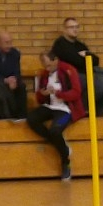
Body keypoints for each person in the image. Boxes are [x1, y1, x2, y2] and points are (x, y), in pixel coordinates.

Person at [27, 51, 85, 181]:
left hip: (65, 109)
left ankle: (65, 161)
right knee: (31, 119)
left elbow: (76, 93)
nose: (47, 69)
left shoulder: (68, 70)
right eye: (45, 66)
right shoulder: (44, 75)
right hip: (50, 106)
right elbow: (39, 98)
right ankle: (60, 144)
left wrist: (59, 94)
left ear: (55, 60)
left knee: (55, 130)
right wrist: (43, 93)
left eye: (49, 65)